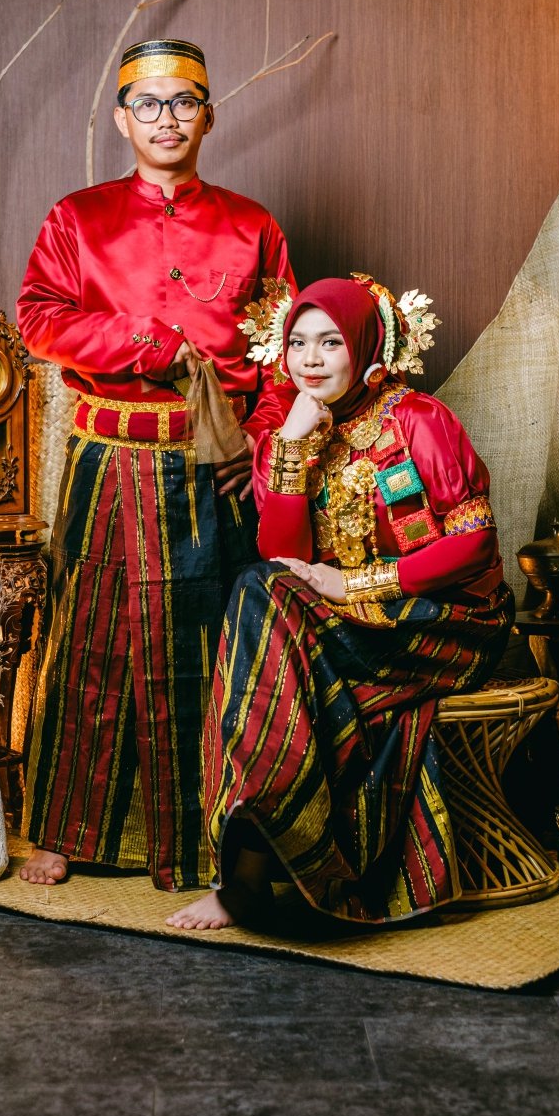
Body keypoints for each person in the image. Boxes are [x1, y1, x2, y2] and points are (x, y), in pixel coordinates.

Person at [16, 38, 295, 889]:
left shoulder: (252, 226)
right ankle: (64, 829)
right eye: (148, 103)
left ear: (208, 116)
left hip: (210, 465)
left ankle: (202, 839)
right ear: (121, 119)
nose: (165, 118)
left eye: (183, 102)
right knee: (87, 642)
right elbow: (38, 318)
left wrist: (259, 442)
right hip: (106, 458)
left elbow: (286, 352)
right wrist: (145, 341)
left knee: (207, 645)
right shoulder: (77, 218)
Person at [167, 273, 515, 929]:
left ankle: (248, 875)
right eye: (298, 343)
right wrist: (291, 448)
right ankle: (261, 859)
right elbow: (282, 556)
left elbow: (474, 545)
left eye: (331, 342)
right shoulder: (290, 435)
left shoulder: (418, 420)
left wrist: (355, 585)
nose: (311, 359)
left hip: (448, 623)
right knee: (259, 593)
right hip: (354, 624)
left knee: (266, 630)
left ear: (366, 347)